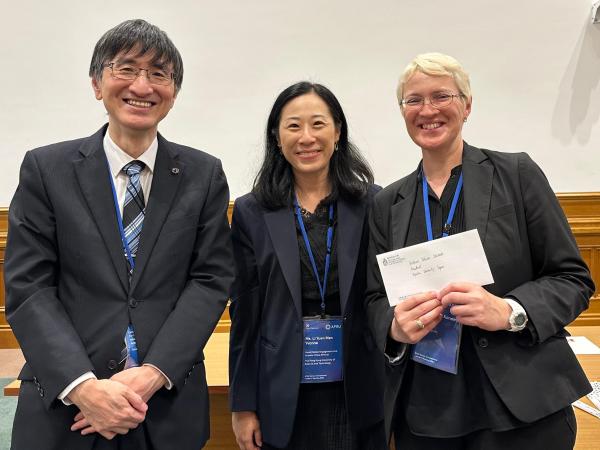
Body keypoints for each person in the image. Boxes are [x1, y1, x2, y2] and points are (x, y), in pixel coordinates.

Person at [4, 19, 233, 450]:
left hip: (165, 405)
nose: (142, 86)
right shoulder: (46, 169)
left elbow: (210, 280)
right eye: (125, 69)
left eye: (159, 74)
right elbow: (29, 287)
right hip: (66, 408)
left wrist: (152, 375)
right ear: (97, 83)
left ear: (173, 93)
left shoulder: (203, 175)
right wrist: (84, 388)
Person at [365, 52, 595, 449]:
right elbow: (373, 297)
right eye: (414, 100)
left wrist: (510, 311)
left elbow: (572, 277)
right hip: (426, 411)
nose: (428, 110)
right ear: (403, 112)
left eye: (442, 96)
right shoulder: (387, 203)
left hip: (521, 405)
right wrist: (393, 326)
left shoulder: (516, 174)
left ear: (467, 105)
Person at [228, 81, 386, 450]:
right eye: (293, 126)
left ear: (337, 131)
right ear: (276, 136)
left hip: (358, 388)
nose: (307, 137)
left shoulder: (373, 204)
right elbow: (245, 314)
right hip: (281, 389)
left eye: (318, 124)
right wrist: (243, 405)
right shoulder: (252, 212)